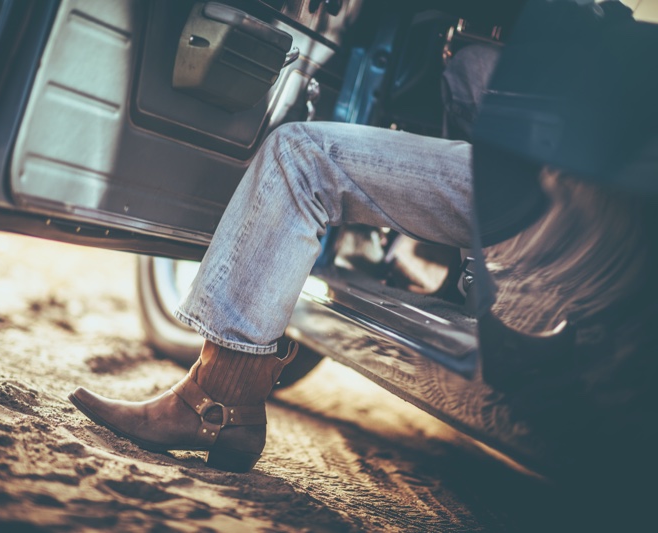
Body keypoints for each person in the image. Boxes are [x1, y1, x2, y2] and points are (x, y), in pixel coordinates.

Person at [68, 44, 500, 473]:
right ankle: (226, 413)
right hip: (534, 176)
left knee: (298, 157)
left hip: (534, 187)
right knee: (472, 64)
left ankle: (214, 403)